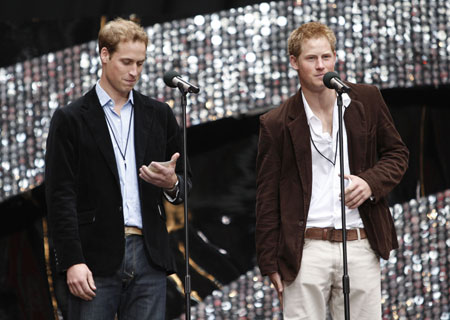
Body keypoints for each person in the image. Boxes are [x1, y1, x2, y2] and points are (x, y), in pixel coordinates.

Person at [255, 22, 408, 319]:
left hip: (360, 241)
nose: (320, 65)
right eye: (311, 58)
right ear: (294, 62)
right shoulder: (276, 123)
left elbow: (397, 154)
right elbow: (266, 197)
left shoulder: (367, 100)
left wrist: (370, 183)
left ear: (335, 57)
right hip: (305, 248)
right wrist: (269, 261)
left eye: (326, 57)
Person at [45, 18, 191, 320]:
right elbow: (60, 196)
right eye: (126, 62)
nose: (134, 71)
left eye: (140, 63)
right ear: (104, 55)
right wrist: (72, 260)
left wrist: (171, 183)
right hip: (94, 258)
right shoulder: (71, 118)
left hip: (149, 255)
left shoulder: (159, 114)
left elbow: (185, 184)